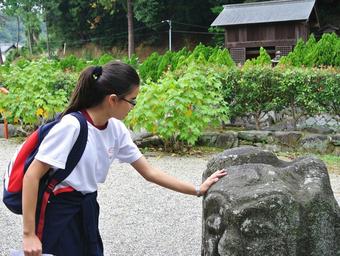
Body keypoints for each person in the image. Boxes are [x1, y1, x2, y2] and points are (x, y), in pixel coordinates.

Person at [22, 61, 227, 256]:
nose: (133, 106)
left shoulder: (116, 129)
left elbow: (149, 172)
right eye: (132, 100)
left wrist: (197, 189)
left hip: (88, 206)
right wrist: (29, 235)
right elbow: (32, 175)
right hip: (58, 209)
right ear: (112, 99)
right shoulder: (71, 126)